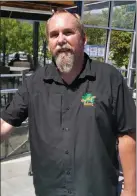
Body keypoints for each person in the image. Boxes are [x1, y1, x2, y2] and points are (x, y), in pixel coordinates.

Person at [1, 9, 136, 196]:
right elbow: (5, 124)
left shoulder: (109, 78)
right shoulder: (33, 83)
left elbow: (127, 136)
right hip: (49, 190)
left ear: (83, 39)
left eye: (68, 32)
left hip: (97, 190)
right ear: (49, 43)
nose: (61, 39)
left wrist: (130, 190)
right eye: (54, 35)